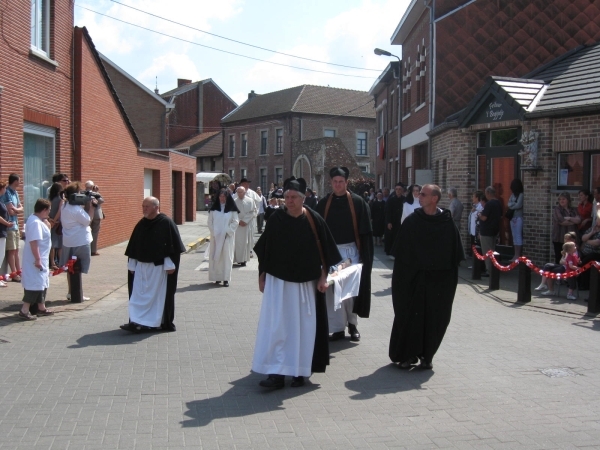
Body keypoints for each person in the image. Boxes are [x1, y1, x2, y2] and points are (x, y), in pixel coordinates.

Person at [252, 177, 342, 389]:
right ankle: (276, 373)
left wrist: (323, 277)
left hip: (305, 286)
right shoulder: (276, 219)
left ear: (303, 199)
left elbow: (327, 253)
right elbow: (264, 249)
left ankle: (300, 371)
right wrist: (262, 274)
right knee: (277, 327)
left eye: (293, 197)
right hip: (278, 283)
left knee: (303, 328)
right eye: (286, 197)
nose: (289, 201)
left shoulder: (314, 220)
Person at [389, 184, 465, 370]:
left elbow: (454, 258)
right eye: (419, 193)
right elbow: (401, 256)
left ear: (434, 199)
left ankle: (427, 355)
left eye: (423, 194)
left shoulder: (446, 224)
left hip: (438, 284)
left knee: (434, 318)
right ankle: (407, 354)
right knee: (409, 316)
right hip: (413, 281)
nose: (419, 196)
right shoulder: (413, 221)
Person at [315, 167, 373, 342]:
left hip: (350, 253)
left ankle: (352, 325)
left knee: (349, 290)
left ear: (346, 183)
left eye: (341, 182)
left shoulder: (357, 203)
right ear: (331, 183)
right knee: (332, 292)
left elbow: (366, 231)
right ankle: (337, 328)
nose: (338, 185)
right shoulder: (324, 203)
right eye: (335, 182)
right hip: (331, 253)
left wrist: (365, 254)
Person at [121, 197, 185, 332]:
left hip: (158, 270)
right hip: (141, 270)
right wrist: (132, 265)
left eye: (147, 207)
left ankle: (152, 322)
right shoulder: (141, 224)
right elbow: (134, 247)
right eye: (143, 206)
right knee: (138, 297)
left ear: (156, 207)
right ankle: (136, 321)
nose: (144, 209)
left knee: (155, 298)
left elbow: (172, 249)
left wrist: (170, 265)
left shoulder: (166, 223)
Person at [18, 199, 54, 320]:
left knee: (41, 283)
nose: (49, 213)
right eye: (48, 210)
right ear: (44, 210)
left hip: (42, 258)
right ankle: (24, 309)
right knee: (35, 284)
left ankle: (41, 307)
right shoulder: (35, 223)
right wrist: (38, 259)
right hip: (36, 259)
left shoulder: (38, 221)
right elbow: (34, 242)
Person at [59, 182, 93, 301]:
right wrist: (92, 207)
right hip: (80, 241)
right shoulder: (76, 209)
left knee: (70, 268)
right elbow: (88, 221)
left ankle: (71, 292)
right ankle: (77, 294)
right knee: (78, 268)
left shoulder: (64, 205)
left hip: (68, 241)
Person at [207, 189, 239, 287]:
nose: (222, 198)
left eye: (224, 196)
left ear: (227, 197)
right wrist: (214, 232)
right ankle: (217, 277)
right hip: (216, 238)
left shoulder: (231, 209)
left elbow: (235, 221)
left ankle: (226, 279)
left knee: (226, 257)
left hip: (227, 238)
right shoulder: (214, 209)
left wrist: (227, 231)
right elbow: (210, 222)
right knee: (216, 257)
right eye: (220, 196)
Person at [1, 174, 24, 282]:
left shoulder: (15, 192)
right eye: (19, 181)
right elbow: (10, 211)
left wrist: (17, 209)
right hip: (9, 225)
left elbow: (21, 207)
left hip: (16, 224)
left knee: (17, 250)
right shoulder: (7, 193)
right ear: (15, 181)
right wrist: (16, 209)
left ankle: (19, 271)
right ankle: (14, 274)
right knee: (11, 250)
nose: (20, 183)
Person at [478, 186, 502, 276]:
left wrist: (479, 214)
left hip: (486, 231)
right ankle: (494, 269)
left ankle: (489, 270)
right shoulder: (498, 203)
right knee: (493, 250)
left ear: (488, 193)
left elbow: (484, 217)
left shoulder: (489, 204)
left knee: (487, 251)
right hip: (494, 230)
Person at [551, 192, 580, 264]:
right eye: (560, 199)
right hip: (559, 238)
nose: (561, 201)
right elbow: (562, 221)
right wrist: (573, 221)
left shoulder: (574, 209)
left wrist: (569, 218)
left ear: (568, 200)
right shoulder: (557, 210)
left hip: (571, 239)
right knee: (559, 258)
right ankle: (559, 274)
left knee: (571, 258)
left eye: (563, 199)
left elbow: (579, 220)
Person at [233, 187, 257, 267]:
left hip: (247, 225)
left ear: (244, 192)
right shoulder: (234, 201)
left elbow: (253, 212)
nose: (240, 194)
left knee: (246, 242)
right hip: (237, 225)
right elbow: (232, 213)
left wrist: (245, 220)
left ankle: (243, 259)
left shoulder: (250, 201)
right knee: (237, 242)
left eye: (241, 192)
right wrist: (239, 221)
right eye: (238, 192)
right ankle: (236, 258)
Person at [0, 182, 15, 287]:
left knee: (1, 256)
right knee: (0, 255)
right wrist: (7, 223)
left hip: (3, 231)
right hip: (0, 232)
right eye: (4, 188)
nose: (5, 190)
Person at [385, 183, 405, 257]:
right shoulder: (391, 199)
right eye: (396, 189)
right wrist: (388, 222)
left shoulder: (404, 200)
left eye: (400, 189)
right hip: (393, 221)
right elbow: (388, 211)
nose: (398, 191)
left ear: (402, 190)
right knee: (392, 237)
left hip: (401, 221)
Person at [47, 182, 64, 270]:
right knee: (59, 244)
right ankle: (61, 262)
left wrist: (50, 219)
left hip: (50, 222)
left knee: (52, 244)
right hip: (57, 223)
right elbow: (59, 211)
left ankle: (52, 262)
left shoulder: (50, 199)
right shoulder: (61, 199)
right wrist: (55, 220)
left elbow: (47, 210)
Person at [85, 180, 105, 256]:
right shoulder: (94, 194)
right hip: (96, 215)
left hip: (87, 215)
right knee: (95, 233)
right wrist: (96, 192)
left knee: (87, 232)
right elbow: (101, 200)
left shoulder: (84, 193)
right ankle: (93, 250)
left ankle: (88, 249)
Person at [507, 179, 524, 262]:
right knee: (514, 236)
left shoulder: (521, 195)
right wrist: (513, 205)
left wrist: (512, 206)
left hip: (518, 218)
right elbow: (508, 203)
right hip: (512, 217)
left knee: (518, 236)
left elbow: (519, 205)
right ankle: (515, 254)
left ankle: (518, 255)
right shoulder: (512, 195)